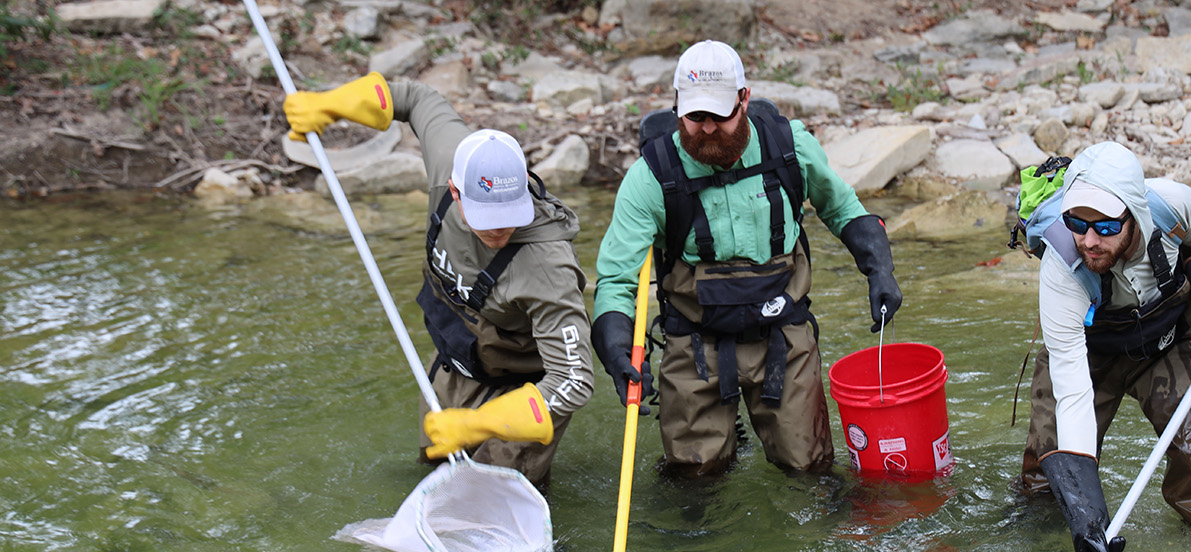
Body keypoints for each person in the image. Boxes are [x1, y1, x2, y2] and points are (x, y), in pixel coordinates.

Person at [591, 40, 902, 476]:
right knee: (693, 484)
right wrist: (615, 343)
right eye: (695, 117)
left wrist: (879, 270)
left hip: (784, 333)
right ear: (677, 107)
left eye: (720, 115)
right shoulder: (650, 177)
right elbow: (618, 277)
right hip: (694, 341)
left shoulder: (788, 146)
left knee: (809, 474)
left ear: (745, 99)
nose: (708, 128)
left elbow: (843, 209)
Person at [283, 73, 593, 487]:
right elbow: (414, 97)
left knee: (491, 502)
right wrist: (329, 104)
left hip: (525, 391)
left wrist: (479, 424)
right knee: (438, 477)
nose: (499, 231)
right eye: (485, 218)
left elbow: (573, 381)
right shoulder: (450, 158)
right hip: (458, 357)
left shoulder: (547, 266)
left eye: (509, 216)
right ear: (454, 189)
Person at [1019, 141, 1191, 552]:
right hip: (1086, 352)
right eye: (1077, 224)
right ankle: (1033, 549)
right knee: (1050, 476)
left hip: (1166, 341)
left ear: (1135, 216)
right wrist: (1086, 511)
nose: (1088, 240)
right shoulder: (1061, 265)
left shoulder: (1175, 205)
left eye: (1104, 226)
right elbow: (1073, 390)